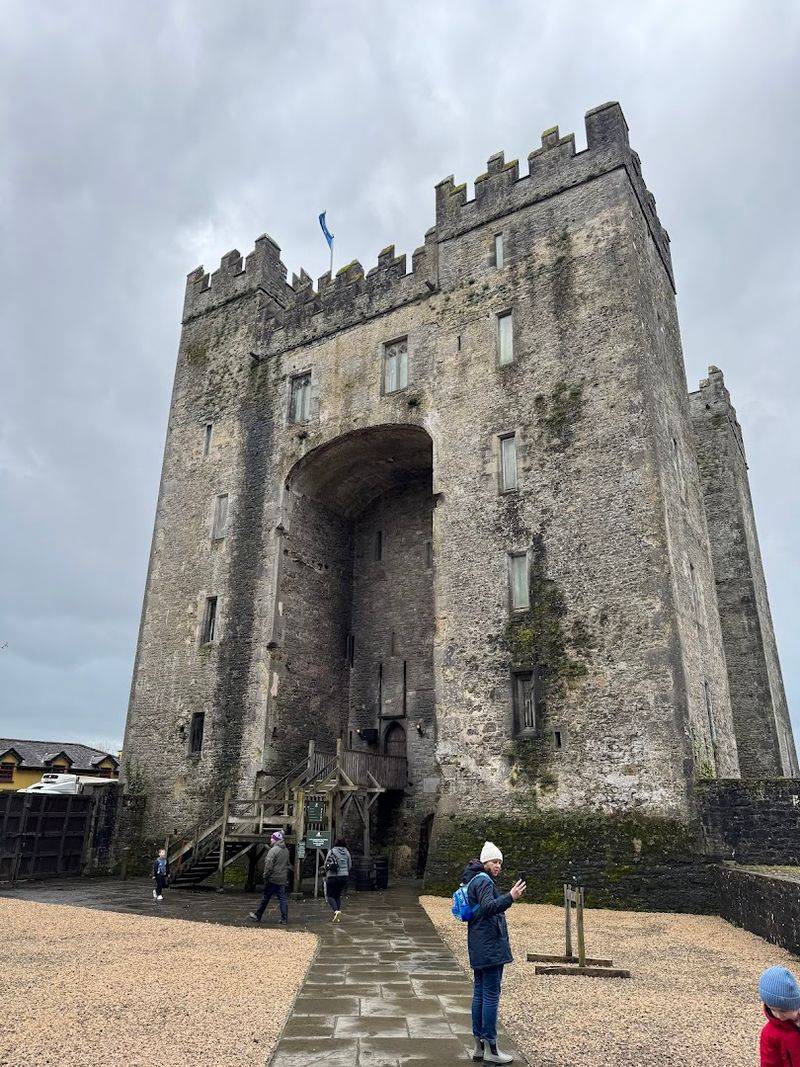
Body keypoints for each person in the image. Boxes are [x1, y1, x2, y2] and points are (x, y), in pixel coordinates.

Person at [462, 841, 526, 1065]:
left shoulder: (474, 880)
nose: (497, 865)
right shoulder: (484, 881)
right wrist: (510, 896)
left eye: (499, 861)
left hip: (479, 945)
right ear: (484, 862)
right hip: (489, 947)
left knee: (479, 993)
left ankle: (479, 1046)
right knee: (490, 995)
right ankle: (491, 1047)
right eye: (493, 861)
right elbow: (489, 908)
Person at [758, 965, 800, 1065]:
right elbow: (769, 1063)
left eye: (783, 1011)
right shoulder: (770, 1034)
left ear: (795, 1005)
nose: (779, 1016)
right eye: (773, 1010)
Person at [249, 830, 290, 925]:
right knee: (282, 899)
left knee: (266, 897)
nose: (271, 840)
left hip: (273, 878)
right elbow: (287, 864)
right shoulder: (286, 850)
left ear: (276, 840)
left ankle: (258, 915)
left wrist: (265, 876)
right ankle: (284, 918)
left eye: (272, 838)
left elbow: (268, 866)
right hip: (282, 878)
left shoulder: (273, 851)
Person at [324, 838, 352, 922]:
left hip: (332, 876)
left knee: (330, 896)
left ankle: (336, 911)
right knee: (337, 895)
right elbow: (350, 865)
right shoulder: (347, 852)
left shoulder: (332, 851)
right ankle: (337, 914)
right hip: (344, 877)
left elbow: (326, 864)